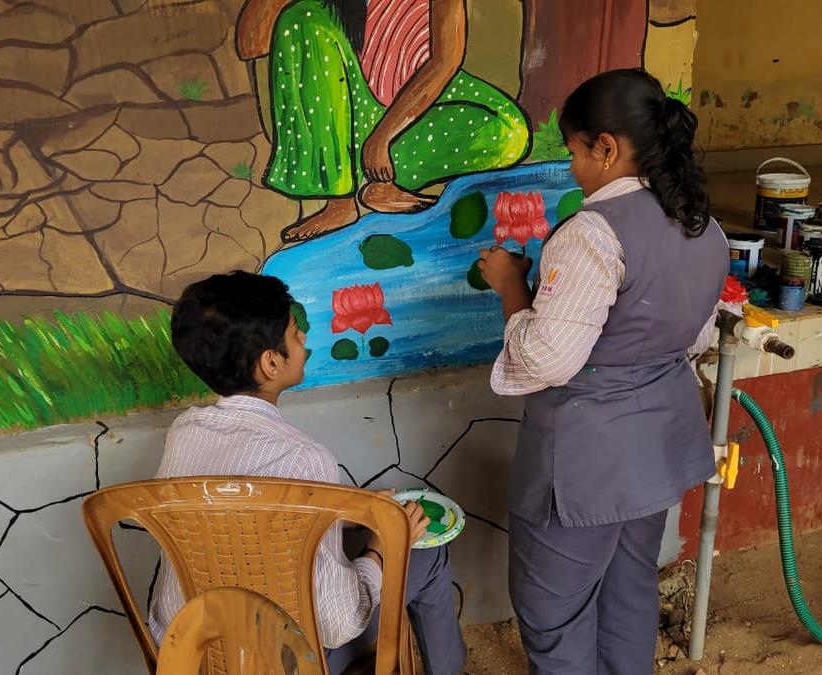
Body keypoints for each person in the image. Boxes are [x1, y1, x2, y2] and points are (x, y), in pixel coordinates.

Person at [476, 69, 728, 674]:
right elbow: (691, 337)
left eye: (573, 151)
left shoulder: (591, 233)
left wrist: (512, 288)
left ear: (606, 147)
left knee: (553, 611)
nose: (571, 168)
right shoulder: (702, 226)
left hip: (584, 460)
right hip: (656, 451)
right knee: (628, 589)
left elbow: (549, 360)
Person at [147, 271, 466, 674]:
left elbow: (239, 517)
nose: (305, 344)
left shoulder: (183, 433)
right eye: (297, 334)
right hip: (281, 663)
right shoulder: (304, 458)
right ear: (271, 362)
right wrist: (379, 547)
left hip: (190, 654)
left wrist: (345, 511)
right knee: (428, 552)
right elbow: (339, 622)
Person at [235, 0, 530, 242]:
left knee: (509, 130)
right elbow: (251, 43)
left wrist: (383, 138)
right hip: (350, 105)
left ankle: (380, 181)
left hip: (420, 100)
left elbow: (445, 61)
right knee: (300, 18)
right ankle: (340, 201)